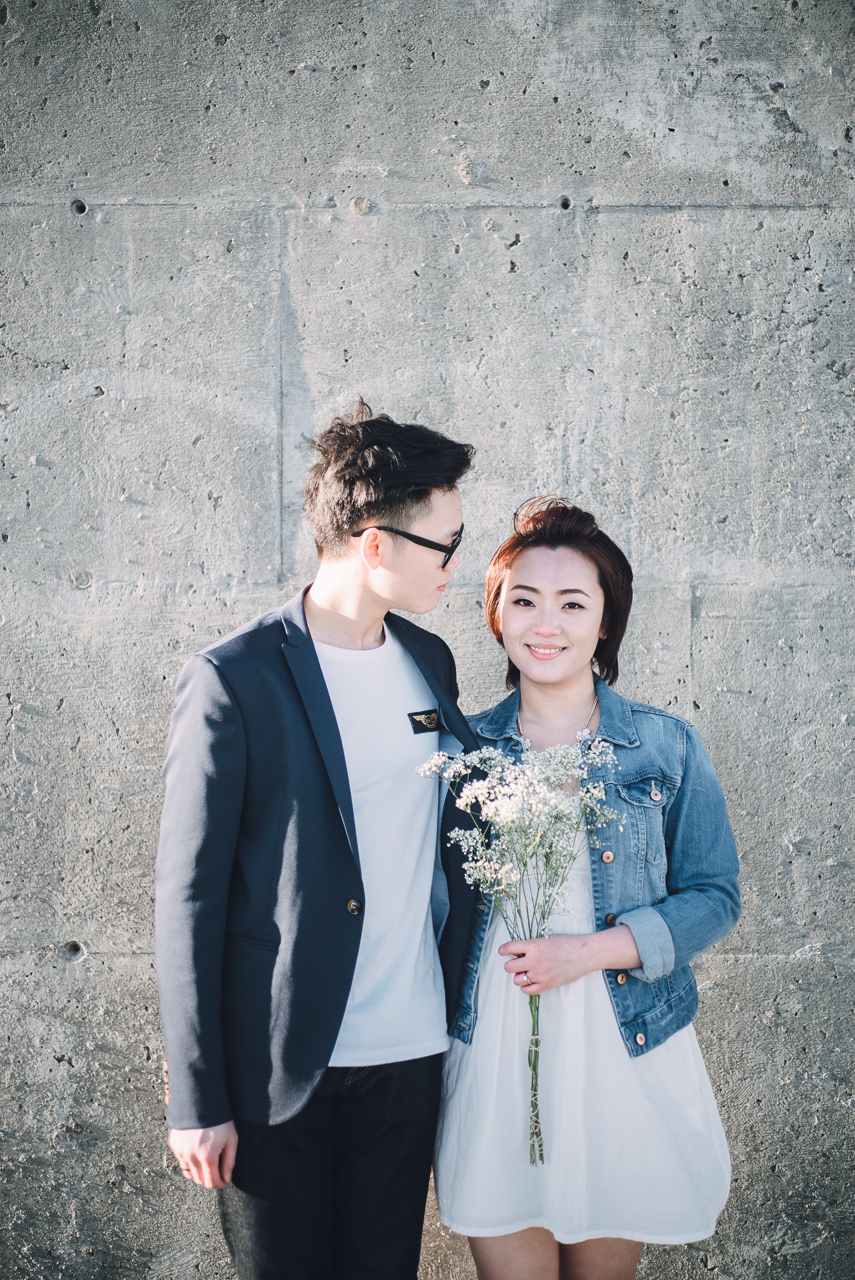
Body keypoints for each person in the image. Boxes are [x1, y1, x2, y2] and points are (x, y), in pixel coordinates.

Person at [155, 400, 481, 1280]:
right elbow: (190, 899)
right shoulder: (233, 678)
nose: (457, 566)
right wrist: (197, 1097)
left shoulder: (430, 663)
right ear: (375, 544)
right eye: (444, 546)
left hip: (407, 1054)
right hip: (275, 1070)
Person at [434, 497, 741, 1280]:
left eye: (574, 603)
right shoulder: (461, 751)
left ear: (605, 622)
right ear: (497, 615)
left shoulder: (664, 746)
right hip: (497, 1043)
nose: (547, 623)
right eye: (525, 600)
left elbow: (714, 895)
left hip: (622, 1040)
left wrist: (591, 951)